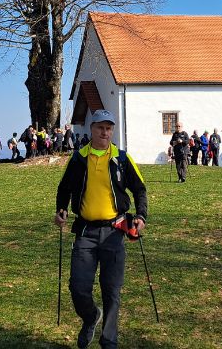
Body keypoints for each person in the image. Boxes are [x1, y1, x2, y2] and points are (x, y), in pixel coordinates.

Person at [54, 109, 147, 349]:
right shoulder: (78, 158)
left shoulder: (122, 159)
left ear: (112, 131)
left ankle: (109, 342)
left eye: (109, 128)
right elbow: (64, 188)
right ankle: (90, 317)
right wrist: (61, 210)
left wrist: (141, 216)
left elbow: (140, 190)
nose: (105, 132)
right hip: (85, 232)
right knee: (78, 287)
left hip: (115, 232)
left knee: (112, 290)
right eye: (100, 128)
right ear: (91, 130)